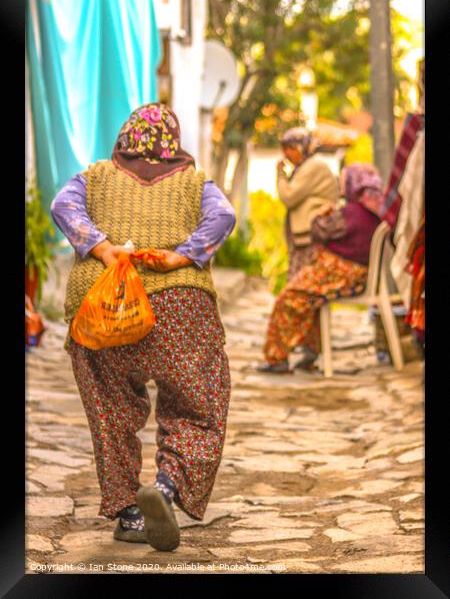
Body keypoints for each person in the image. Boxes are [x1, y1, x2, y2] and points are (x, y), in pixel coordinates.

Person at [51, 102, 236, 551]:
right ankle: (167, 489)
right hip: (180, 307)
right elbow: (223, 217)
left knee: (110, 409)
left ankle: (129, 512)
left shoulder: (93, 177)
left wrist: (102, 247)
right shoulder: (196, 183)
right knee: (199, 404)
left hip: (104, 309)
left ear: (124, 139)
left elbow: (63, 206)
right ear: (173, 141)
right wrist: (183, 253)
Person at [258, 163, 384, 373]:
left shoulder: (351, 213)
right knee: (309, 298)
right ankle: (310, 350)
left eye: (344, 181)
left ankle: (276, 357)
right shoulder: (372, 212)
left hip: (341, 272)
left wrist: (322, 214)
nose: (341, 186)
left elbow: (318, 232)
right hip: (356, 274)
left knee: (290, 297)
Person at [277, 126, 338, 281]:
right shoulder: (305, 166)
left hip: (311, 238)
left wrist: (280, 175)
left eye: (289, 148)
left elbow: (289, 197)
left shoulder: (312, 166)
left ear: (301, 148)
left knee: (302, 284)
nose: (285, 154)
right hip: (307, 237)